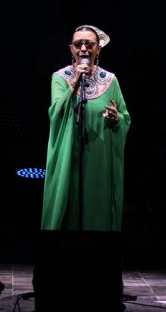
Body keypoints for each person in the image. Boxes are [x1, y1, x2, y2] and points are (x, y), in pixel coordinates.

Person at [41, 24, 131, 232]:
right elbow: (56, 113)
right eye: (78, 44)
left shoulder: (110, 81)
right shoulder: (60, 77)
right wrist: (75, 81)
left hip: (99, 155)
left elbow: (125, 117)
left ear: (98, 49)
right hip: (69, 153)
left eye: (89, 44)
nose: (83, 48)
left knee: (96, 201)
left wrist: (116, 118)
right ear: (71, 49)